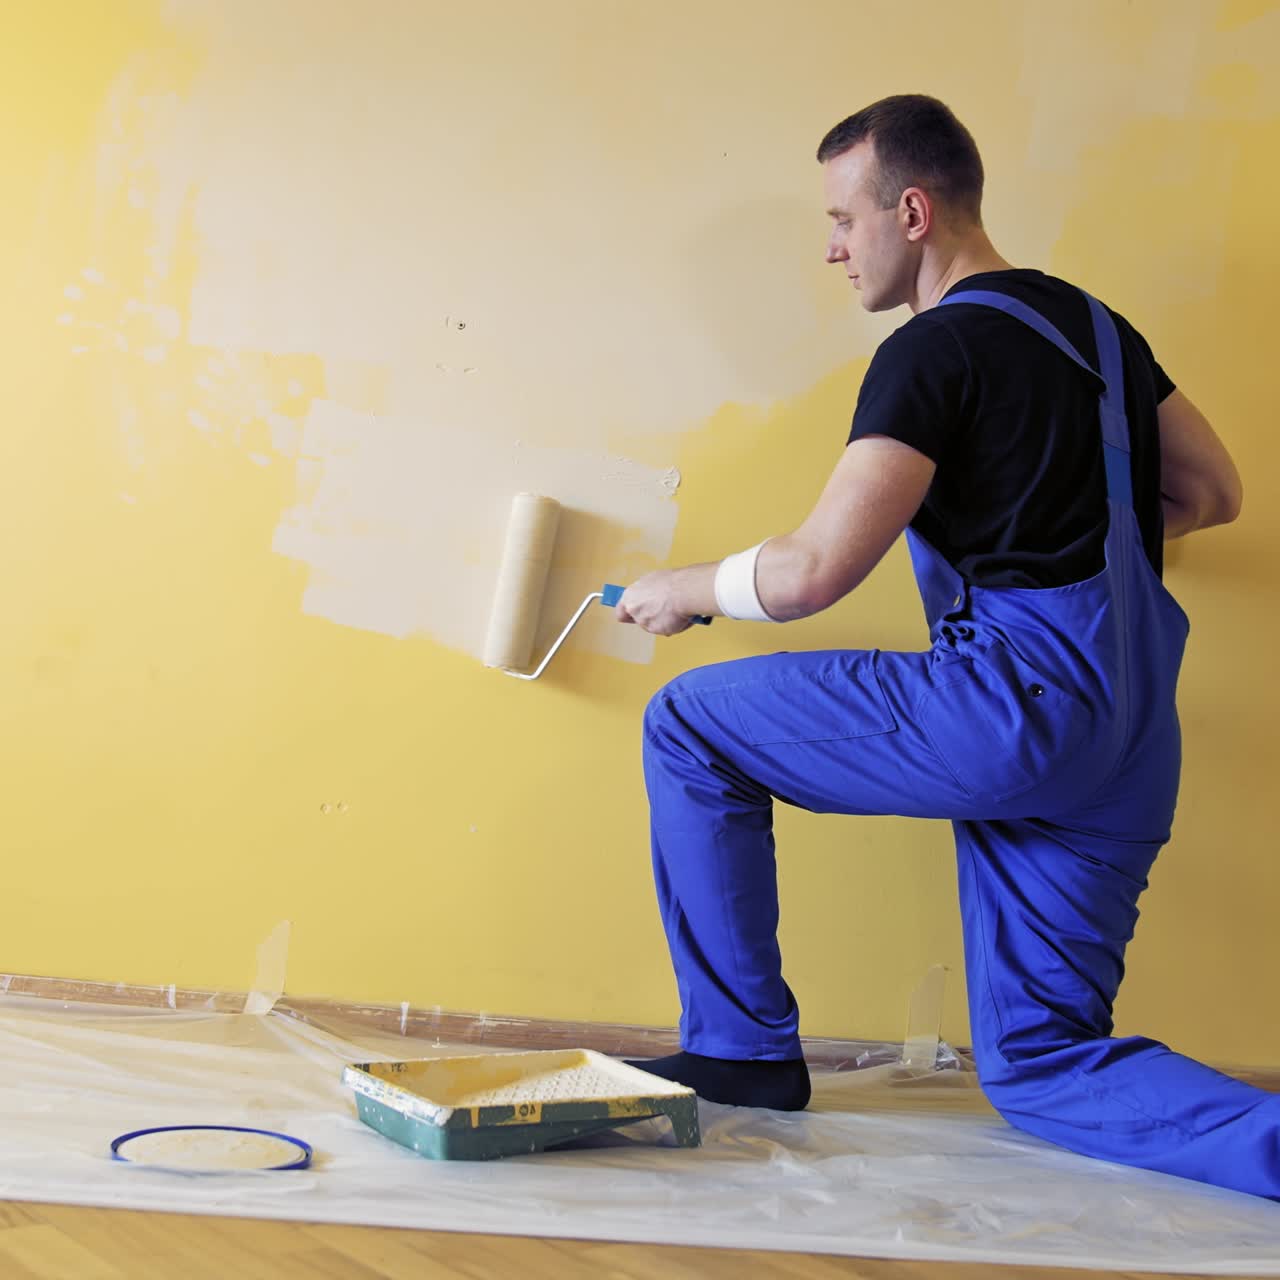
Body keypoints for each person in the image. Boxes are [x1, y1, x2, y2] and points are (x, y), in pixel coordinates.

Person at [615, 95, 1265, 1199]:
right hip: (1130, 736)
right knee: (1042, 1061)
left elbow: (815, 570)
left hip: (1010, 709)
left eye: (841, 218)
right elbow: (1209, 492)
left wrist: (681, 589)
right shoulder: (1100, 333)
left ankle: (739, 1049)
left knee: (688, 725)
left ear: (910, 212)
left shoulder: (934, 349)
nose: (832, 248)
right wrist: (1057, 515)